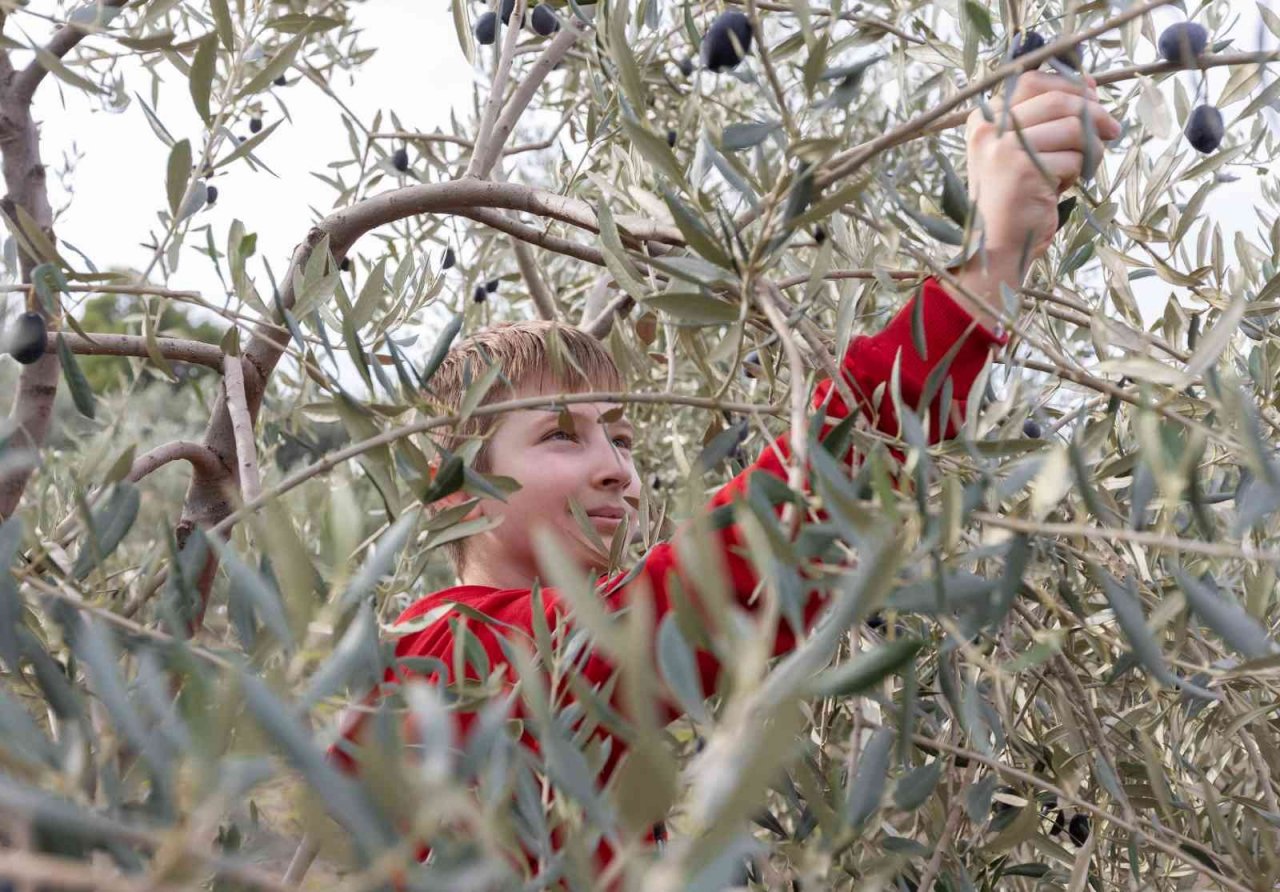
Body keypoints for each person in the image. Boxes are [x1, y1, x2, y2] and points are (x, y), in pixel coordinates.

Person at [330, 70, 1121, 878]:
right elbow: (724, 570)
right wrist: (979, 279)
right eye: (563, 437)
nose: (615, 470)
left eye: (625, 439)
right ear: (455, 483)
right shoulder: (449, 659)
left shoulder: (553, 685)